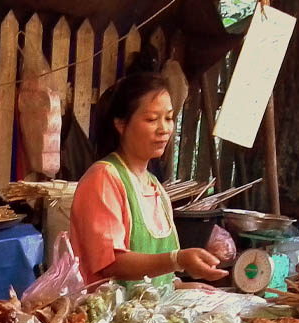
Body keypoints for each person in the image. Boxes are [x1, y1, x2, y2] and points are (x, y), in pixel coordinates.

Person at [69, 74, 226, 289]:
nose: (164, 129)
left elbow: (159, 279)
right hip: (108, 318)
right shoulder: (103, 179)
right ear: (121, 124)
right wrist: (178, 259)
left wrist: (183, 287)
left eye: (169, 118)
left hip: (151, 318)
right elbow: (111, 263)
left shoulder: (155, 188)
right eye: (152, 119)